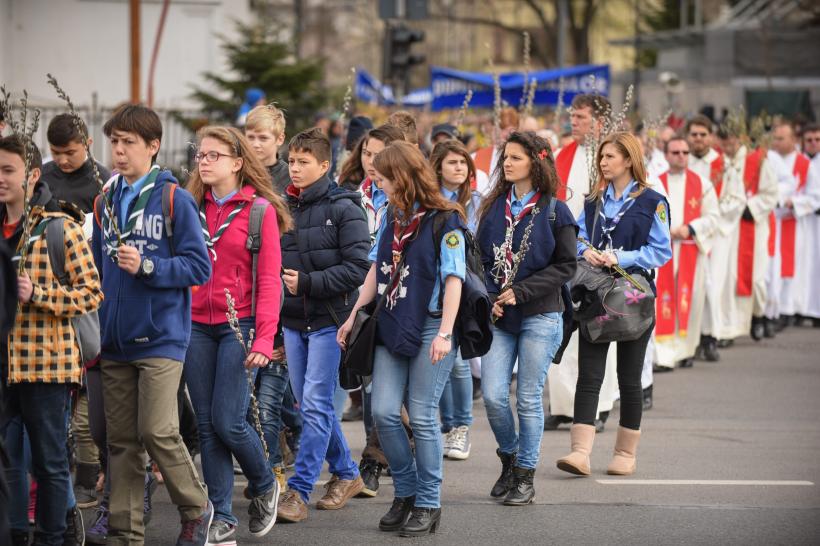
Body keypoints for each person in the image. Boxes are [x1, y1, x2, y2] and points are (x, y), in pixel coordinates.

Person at [91, 104, 214, 545]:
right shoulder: (105, 201)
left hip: (161, 335)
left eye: (129, 143)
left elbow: (199, 266)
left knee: (158, 430)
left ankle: (196, 510)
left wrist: (148, 266)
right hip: (114, 337)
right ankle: (126, 532)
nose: (119, 151)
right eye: (115, 142)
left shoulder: (174, 199)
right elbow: (97, 270)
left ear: (153, 146)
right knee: (121, 441)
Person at [337, 140, 466, 536]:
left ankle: (428, 501)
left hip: (431, 325)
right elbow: (376, 269)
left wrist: (445, 333)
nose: (378, 181)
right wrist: (353, 315)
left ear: (403, 177)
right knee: (384, 412)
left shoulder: (446, 220)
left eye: (384, 176)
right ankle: (406, 491)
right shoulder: (393, 216)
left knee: (423, 416)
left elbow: (454, 279)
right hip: (392, 321)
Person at [183, 126, 293, 543]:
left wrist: (264, 339)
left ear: (237, 163)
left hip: (239, 326)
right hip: (195, 325)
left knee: (229, 421)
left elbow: (269, 281)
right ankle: (223, 516)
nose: (204, 162)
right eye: (201, 155)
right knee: (207, 425)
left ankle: (264, 482)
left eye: (214, 155)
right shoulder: (188, 207)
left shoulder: (260, 211)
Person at [1, 135, 103, 544]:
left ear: (31, 175)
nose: (0, 178)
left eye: (8, 170)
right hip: (5, 366)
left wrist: (38, 294)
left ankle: (53, 537)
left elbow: (91, 293)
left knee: (49, 462)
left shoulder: (60, 227)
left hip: (47, 366)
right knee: (8, 464)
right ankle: (14, 534)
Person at [556, 132, 671, 477]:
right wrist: (585, 251)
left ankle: (625, 453)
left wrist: (621, 256)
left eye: (610, 157)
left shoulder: (653, 201)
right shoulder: (594, 200)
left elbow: (661, 251)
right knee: (589, 374)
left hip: (633, 295)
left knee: (629, 378)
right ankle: (580, 452)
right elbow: (576, 236)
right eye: (602, 157)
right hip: (595, 294)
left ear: (628, 160)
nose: (603, 163)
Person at [476, 131, 577, 504]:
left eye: (516, 157)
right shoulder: (493, 208)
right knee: (493, 396)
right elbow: (479, 260)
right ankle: (510, 457)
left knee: (528, 398)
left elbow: (566, 266)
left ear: (536, 162)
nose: (507, 163)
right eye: (505, 157)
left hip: (541, 313)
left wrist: (522, 291)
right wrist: (490, 296)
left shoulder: (555, 210)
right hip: (501, 317)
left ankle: (524, 477)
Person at [275, 128, 370, 523]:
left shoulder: (345, 207)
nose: (294, 169)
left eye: (303, 162)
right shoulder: (282, 207)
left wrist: (309, 283)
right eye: (291, 161)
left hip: (331, 321)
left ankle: (298, 491)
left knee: (315, 405)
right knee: (310, 406)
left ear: (325, 165)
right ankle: (347, 473)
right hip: (293, 321)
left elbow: (358, 268)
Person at [547, 94, 617, 432]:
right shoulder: (562, 155)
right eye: (572, 116)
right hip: (564, 252)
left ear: (599, 122)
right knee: (561, 326)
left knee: (597, 329)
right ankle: (563, 406)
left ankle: (599, 406)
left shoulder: (612, 156)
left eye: (580, 117)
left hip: (599, 256)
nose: (572, 122)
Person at [429, 139, 482, 460]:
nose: (459, 168)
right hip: (435, 288)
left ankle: (460, 426)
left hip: (467, 287)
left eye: (463, 162)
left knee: (460, 364)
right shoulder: (429, 200)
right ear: (438, 167)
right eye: (452, 162)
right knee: (441, 361)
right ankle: (447, 426)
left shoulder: (477, 201)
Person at [653, 136, 719, 370]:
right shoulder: (655, 183)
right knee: (661, 300)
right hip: (663, 250)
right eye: (675, 152)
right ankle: (663, 355)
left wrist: (690, 228)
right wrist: (665, 230)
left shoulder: (702, 184)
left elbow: (713, 217)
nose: (681, 156)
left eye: (685, 152)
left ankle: (685, 351)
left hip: (690, 249)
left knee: (690, 300)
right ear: (666, 155)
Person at [714, 128, 778, 341]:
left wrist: (752, 207)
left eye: (731, 140)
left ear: (741, 138)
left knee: (757, 278)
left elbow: (771, 192)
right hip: (727, 228)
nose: (728, 146)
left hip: (752, 226)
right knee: (727, 280)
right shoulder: (718, 162)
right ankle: (728, 329)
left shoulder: (757, 161)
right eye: (724, 142)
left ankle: (758, 315)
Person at [686, 114, 733, 360]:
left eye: (703, 135)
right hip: (687, 234)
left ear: (711, 137)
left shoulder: (723, 165)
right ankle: (690, 340)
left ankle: (710, 337)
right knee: (691, 288)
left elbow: (736, 199)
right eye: (694, 134)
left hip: (715, 235)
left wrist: (710, 215)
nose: (698, 139)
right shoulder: (681, 159)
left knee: (711, 287)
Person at [765, 122, 820, 330]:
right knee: (772, 268)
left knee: (791, 267)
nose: (777, 142)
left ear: (793, 140)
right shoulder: (769, 159)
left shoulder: (804, 164)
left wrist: (793, 202)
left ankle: (788, 309)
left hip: (795, 223)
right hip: (772, 221)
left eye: (781, 139)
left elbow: (815, 196)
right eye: (775, 138)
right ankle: (773, 309)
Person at [41, 114, 111, 214]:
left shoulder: (103, 180)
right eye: (56, 153)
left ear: (87, 144)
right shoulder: (41, 176)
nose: (63, 161)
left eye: (70, 153)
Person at [473, 107, 520, 195]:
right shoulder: (475, 157)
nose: (504, 134)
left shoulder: (523, 158)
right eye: (501, 129)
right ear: (492, 129)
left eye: (510, 130)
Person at [245, 103, 290, 195]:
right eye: (250, 137)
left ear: (280, 139)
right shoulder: (235, 172)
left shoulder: (292, 177)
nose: (255, 144)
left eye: (263, 138)